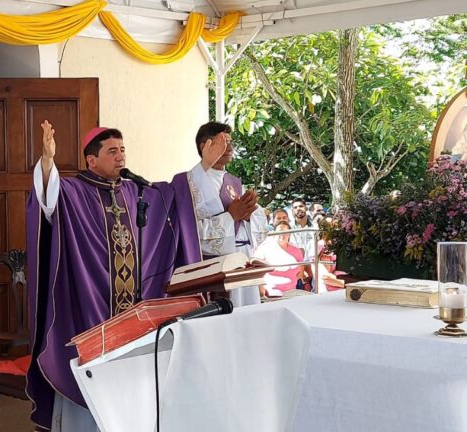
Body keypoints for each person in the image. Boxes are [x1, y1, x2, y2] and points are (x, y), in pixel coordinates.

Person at [26, 121, 176, 431]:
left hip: (130, 306)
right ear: (91, 159)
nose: (120, 156)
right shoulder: (74, 190)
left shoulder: (134, 191)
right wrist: (48, 161)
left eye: (123, 150)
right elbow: (46, 197)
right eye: (112, 151)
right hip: (89, 302)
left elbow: (172, 202)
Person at [171, 121, 268, 307]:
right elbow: (190, 232)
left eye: (231, 142)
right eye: (223, 142)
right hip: (214, 269)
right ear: (205, 146)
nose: (229, 147)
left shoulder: (234, 182)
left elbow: (257, 229)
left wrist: (248, 217)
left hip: (242, 262)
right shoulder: (188, 183)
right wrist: (231, 217)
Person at [252, 221, 310, 297]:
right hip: (270, 293)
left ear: (289, 234)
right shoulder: (264, 249)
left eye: (286, 232)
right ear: (274, 233)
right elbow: (256, 269)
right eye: (280, 231)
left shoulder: (297, 251)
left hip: (292, 292)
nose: (282, 234)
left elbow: (300, 274)